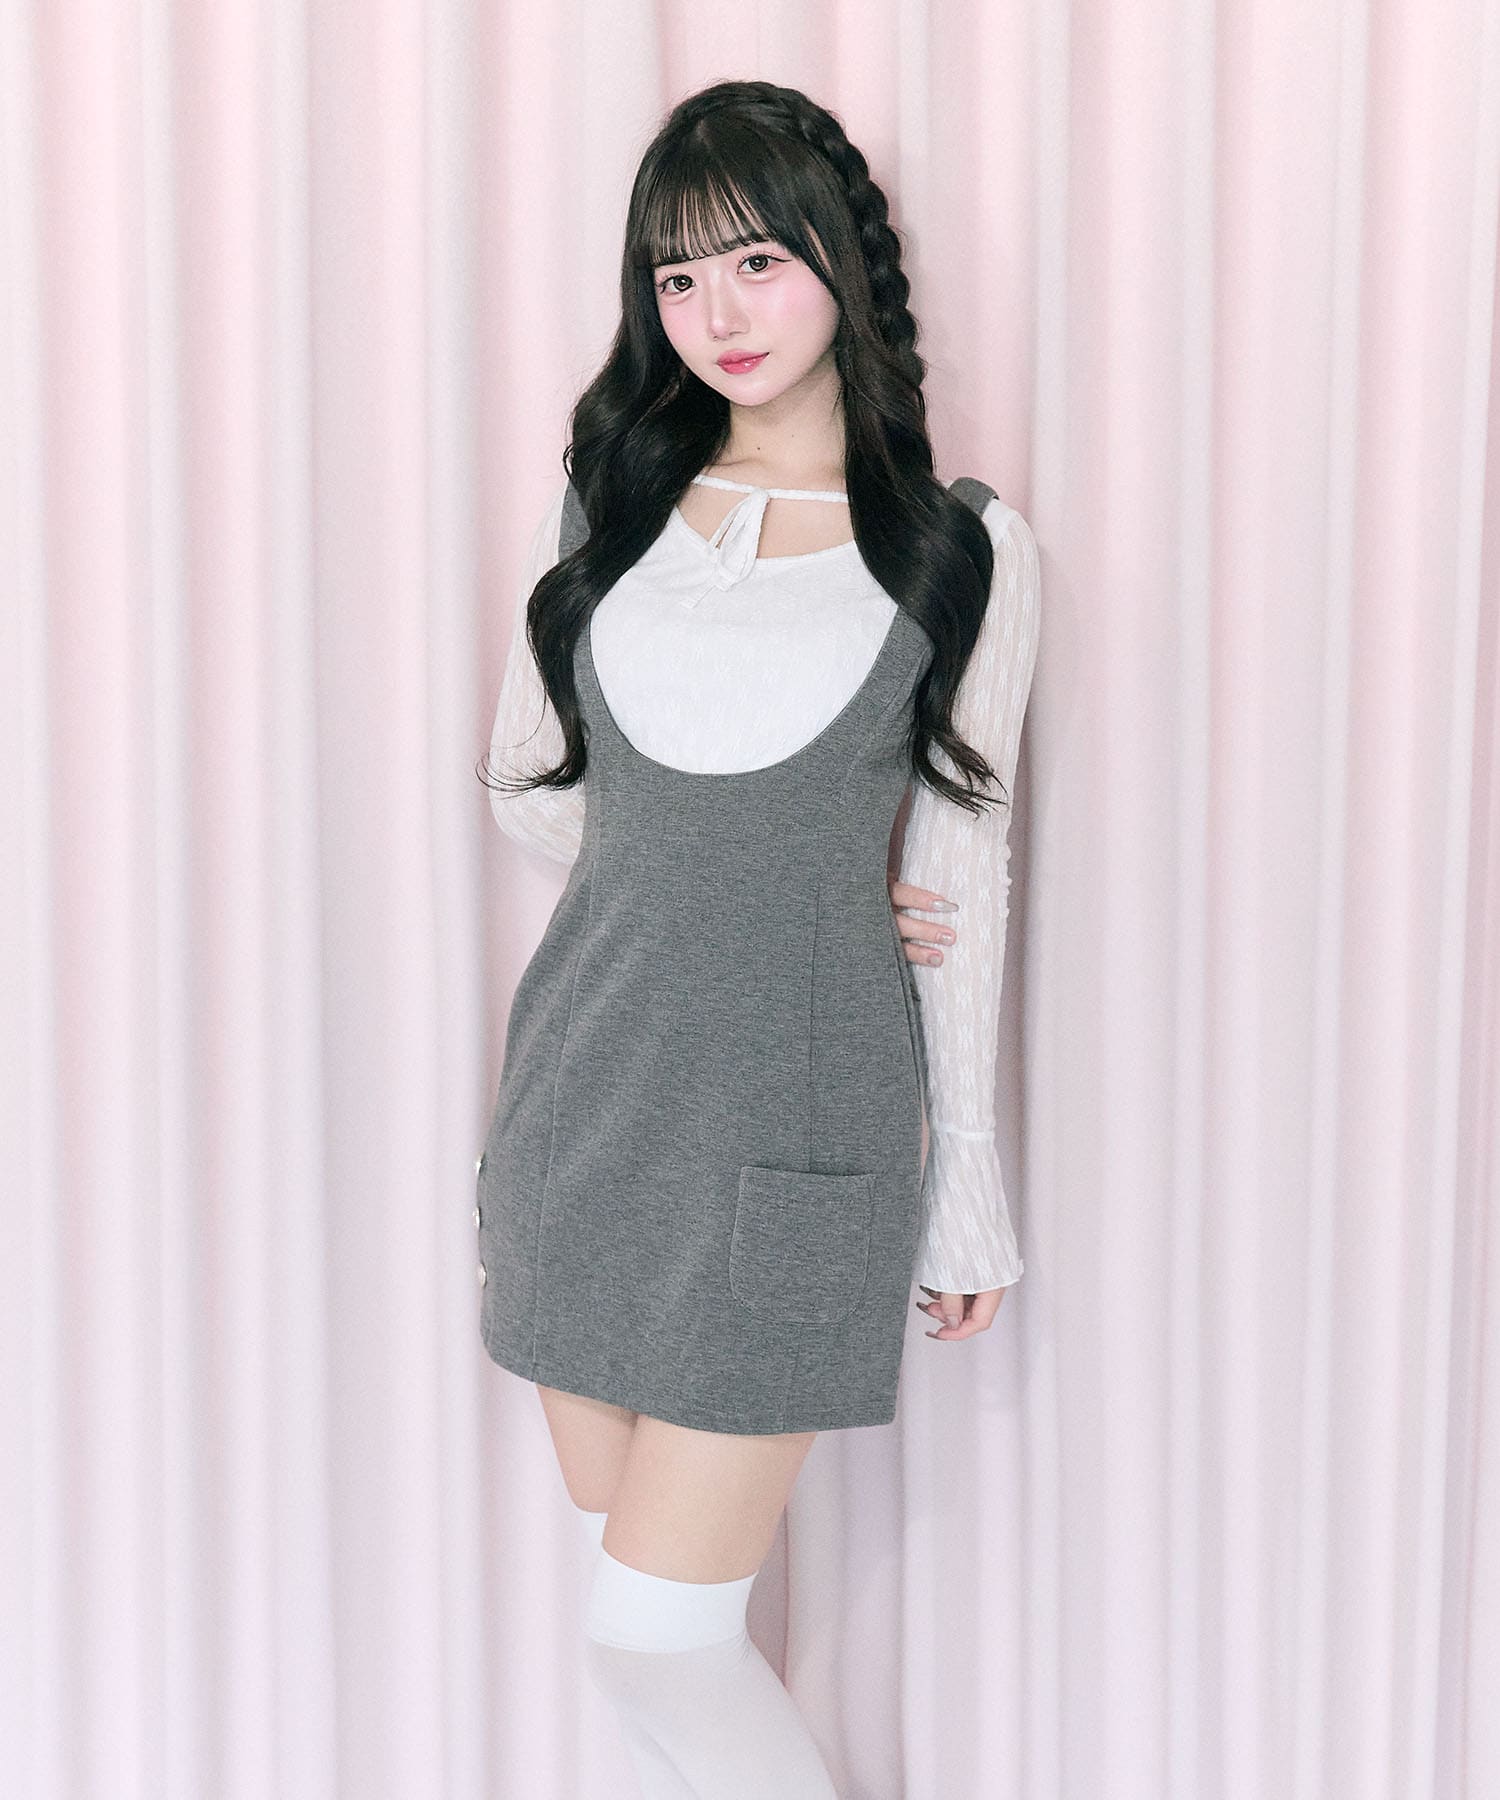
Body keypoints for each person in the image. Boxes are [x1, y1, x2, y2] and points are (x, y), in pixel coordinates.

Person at [475, 78, 1040, 1798]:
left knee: (655, 1638)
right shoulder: (612, 507)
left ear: (839, 270)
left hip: (796, 1133)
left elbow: (967, 871)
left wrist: (967, 1184)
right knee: (625, 1552)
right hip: (584, 1112)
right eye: (675, 277)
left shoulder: (957, 548)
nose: (716, 312)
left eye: (757, 262)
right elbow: (526, 788)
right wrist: (743, 863)